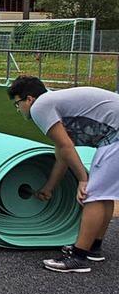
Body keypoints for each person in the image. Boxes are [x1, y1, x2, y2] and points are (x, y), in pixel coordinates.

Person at [8, 76, 119, 273]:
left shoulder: (40, 106)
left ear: (29, 99)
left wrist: (83, 180)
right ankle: (94, 247)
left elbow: (67, 147)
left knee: (93, 194)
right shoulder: (56, 105)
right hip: (112, 135)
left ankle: (78, 258)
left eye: (18, 103)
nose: (19, 109)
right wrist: (48, 189)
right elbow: (62, 154)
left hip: (115, 135)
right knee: (104, 194)